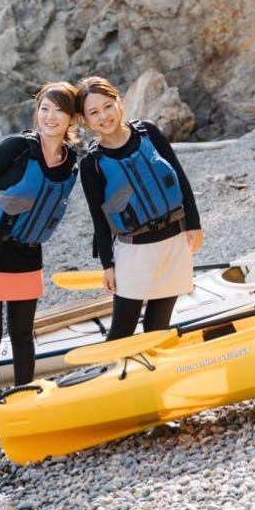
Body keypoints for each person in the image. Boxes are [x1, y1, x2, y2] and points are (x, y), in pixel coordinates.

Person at [0, 82, 79, 441]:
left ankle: (26, 403)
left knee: (23, 334)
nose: (49, 117)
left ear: (72, 118)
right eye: (44, 109)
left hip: (27, 253)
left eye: (58, 111)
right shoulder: (17, 148)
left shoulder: (72, 161)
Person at [75, 76, 203, 342]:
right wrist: (107, 265)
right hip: (133, 251)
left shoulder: (149, 132)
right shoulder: (92, 164)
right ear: (86, 121)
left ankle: (153, 379)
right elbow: (98, 218)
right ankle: (110, 378)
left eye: (108, 106)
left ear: (119, 103)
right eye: (94, 112)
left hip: (174, 244)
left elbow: (179, 177)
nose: (104, 116)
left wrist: (194, 223)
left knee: (157, 326)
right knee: (122, 331)